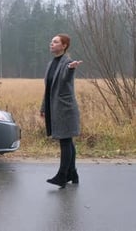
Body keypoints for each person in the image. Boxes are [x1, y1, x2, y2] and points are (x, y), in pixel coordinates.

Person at [40, 34, 82, 188]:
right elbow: (48, 89)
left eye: (55, 42)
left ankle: (62, 176)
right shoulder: (51, 63)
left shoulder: (68, 62)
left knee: (65, 141)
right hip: (54, 108)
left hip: (65, 108)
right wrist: (43, 107)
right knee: (68, 141)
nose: (51, 44)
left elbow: (65, 77)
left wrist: (71, 69)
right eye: (51, 41)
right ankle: (73, 173)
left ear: (64, 46)